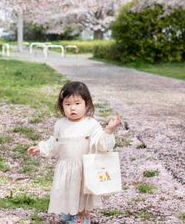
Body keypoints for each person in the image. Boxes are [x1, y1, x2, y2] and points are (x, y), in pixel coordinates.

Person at [27, 81, 121, 224]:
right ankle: (71, 211)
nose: (72, 108)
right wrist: (41, 147)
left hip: (84, 168)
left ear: (87, 104)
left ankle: (83, 215)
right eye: (68, 104)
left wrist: (108, 130)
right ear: (62, 105)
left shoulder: (91, 124)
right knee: (67, 190)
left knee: (82, 194)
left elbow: (103, 144)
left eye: (77, 103)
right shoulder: (61, 124)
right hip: (66, 166)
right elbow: (55, 142)